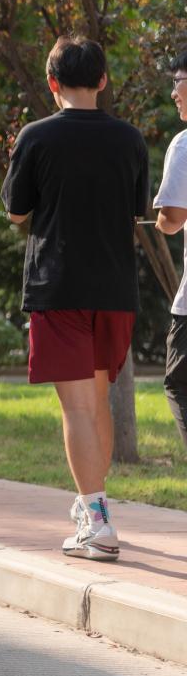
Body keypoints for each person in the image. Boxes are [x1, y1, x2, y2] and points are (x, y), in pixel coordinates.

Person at [2, 36, 148, 562]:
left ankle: (98, 521)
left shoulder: (36, 137)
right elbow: (135, 211)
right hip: (115, 289)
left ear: (52, 82)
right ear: (102, 80)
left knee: (78, 409)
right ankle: (93, 508)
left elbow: (16, 212)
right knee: (97, 400)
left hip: (60, 286)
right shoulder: (130, 139)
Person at [153, 51, 187, 448]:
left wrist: (160, 220)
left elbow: (173, 217)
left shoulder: (183, 144)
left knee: (179, 384)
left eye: (177, 82)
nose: (174, 93)